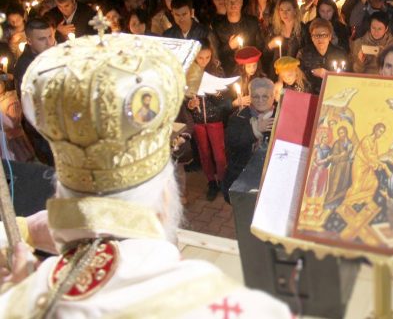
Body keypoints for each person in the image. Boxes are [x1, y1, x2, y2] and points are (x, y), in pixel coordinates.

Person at [0, 34, 290, 318]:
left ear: (62, 198)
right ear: (166, 200)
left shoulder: (21, 300)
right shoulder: (239, 307)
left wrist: (21, 233)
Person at [186, 40, 230, 201]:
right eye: (200, 58)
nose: (204, 61)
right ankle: (211, 182)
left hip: (214, 118)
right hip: (198, 120)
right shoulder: (189, 72)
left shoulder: (216, 70)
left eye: (207, 57)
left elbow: (223, 95)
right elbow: (185, 96)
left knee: (219, 153)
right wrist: (191, 104)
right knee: (204, 152)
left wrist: (211, 89)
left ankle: (223, 181)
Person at [222, 77, 276, 201]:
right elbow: (232, 144)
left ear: (273, 96)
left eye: (265, 96)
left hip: (271, 181)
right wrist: (255, 131)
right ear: (250, 97)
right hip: (244, 181)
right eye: (256, 96)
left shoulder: (282, 116)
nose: (260, 100)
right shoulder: (238, 118)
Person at [12, 18, 56, 165]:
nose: (49, 42)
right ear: (29, 41)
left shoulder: (50, 53)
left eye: (50, 36)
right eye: (42, 39)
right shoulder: (26, 68)